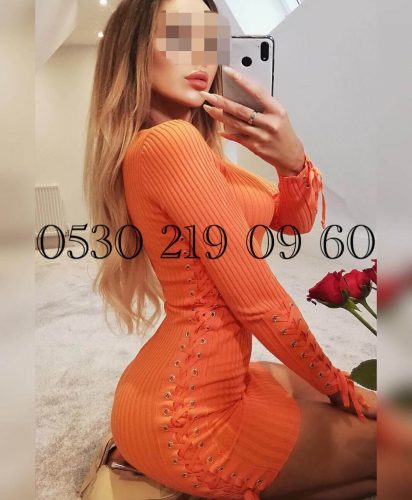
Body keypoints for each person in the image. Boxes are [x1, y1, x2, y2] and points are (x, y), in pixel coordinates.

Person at [83, 0, 377, 498]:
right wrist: (335, 385)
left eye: (209, 38)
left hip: (173, 389)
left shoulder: (196, 150)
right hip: (191, 422)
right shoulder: (170, 143)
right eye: (179, 34)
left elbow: (292, 223)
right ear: (134, 47)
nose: (200, 54)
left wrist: (292, 162)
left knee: (375, 416)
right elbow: (257, 301)